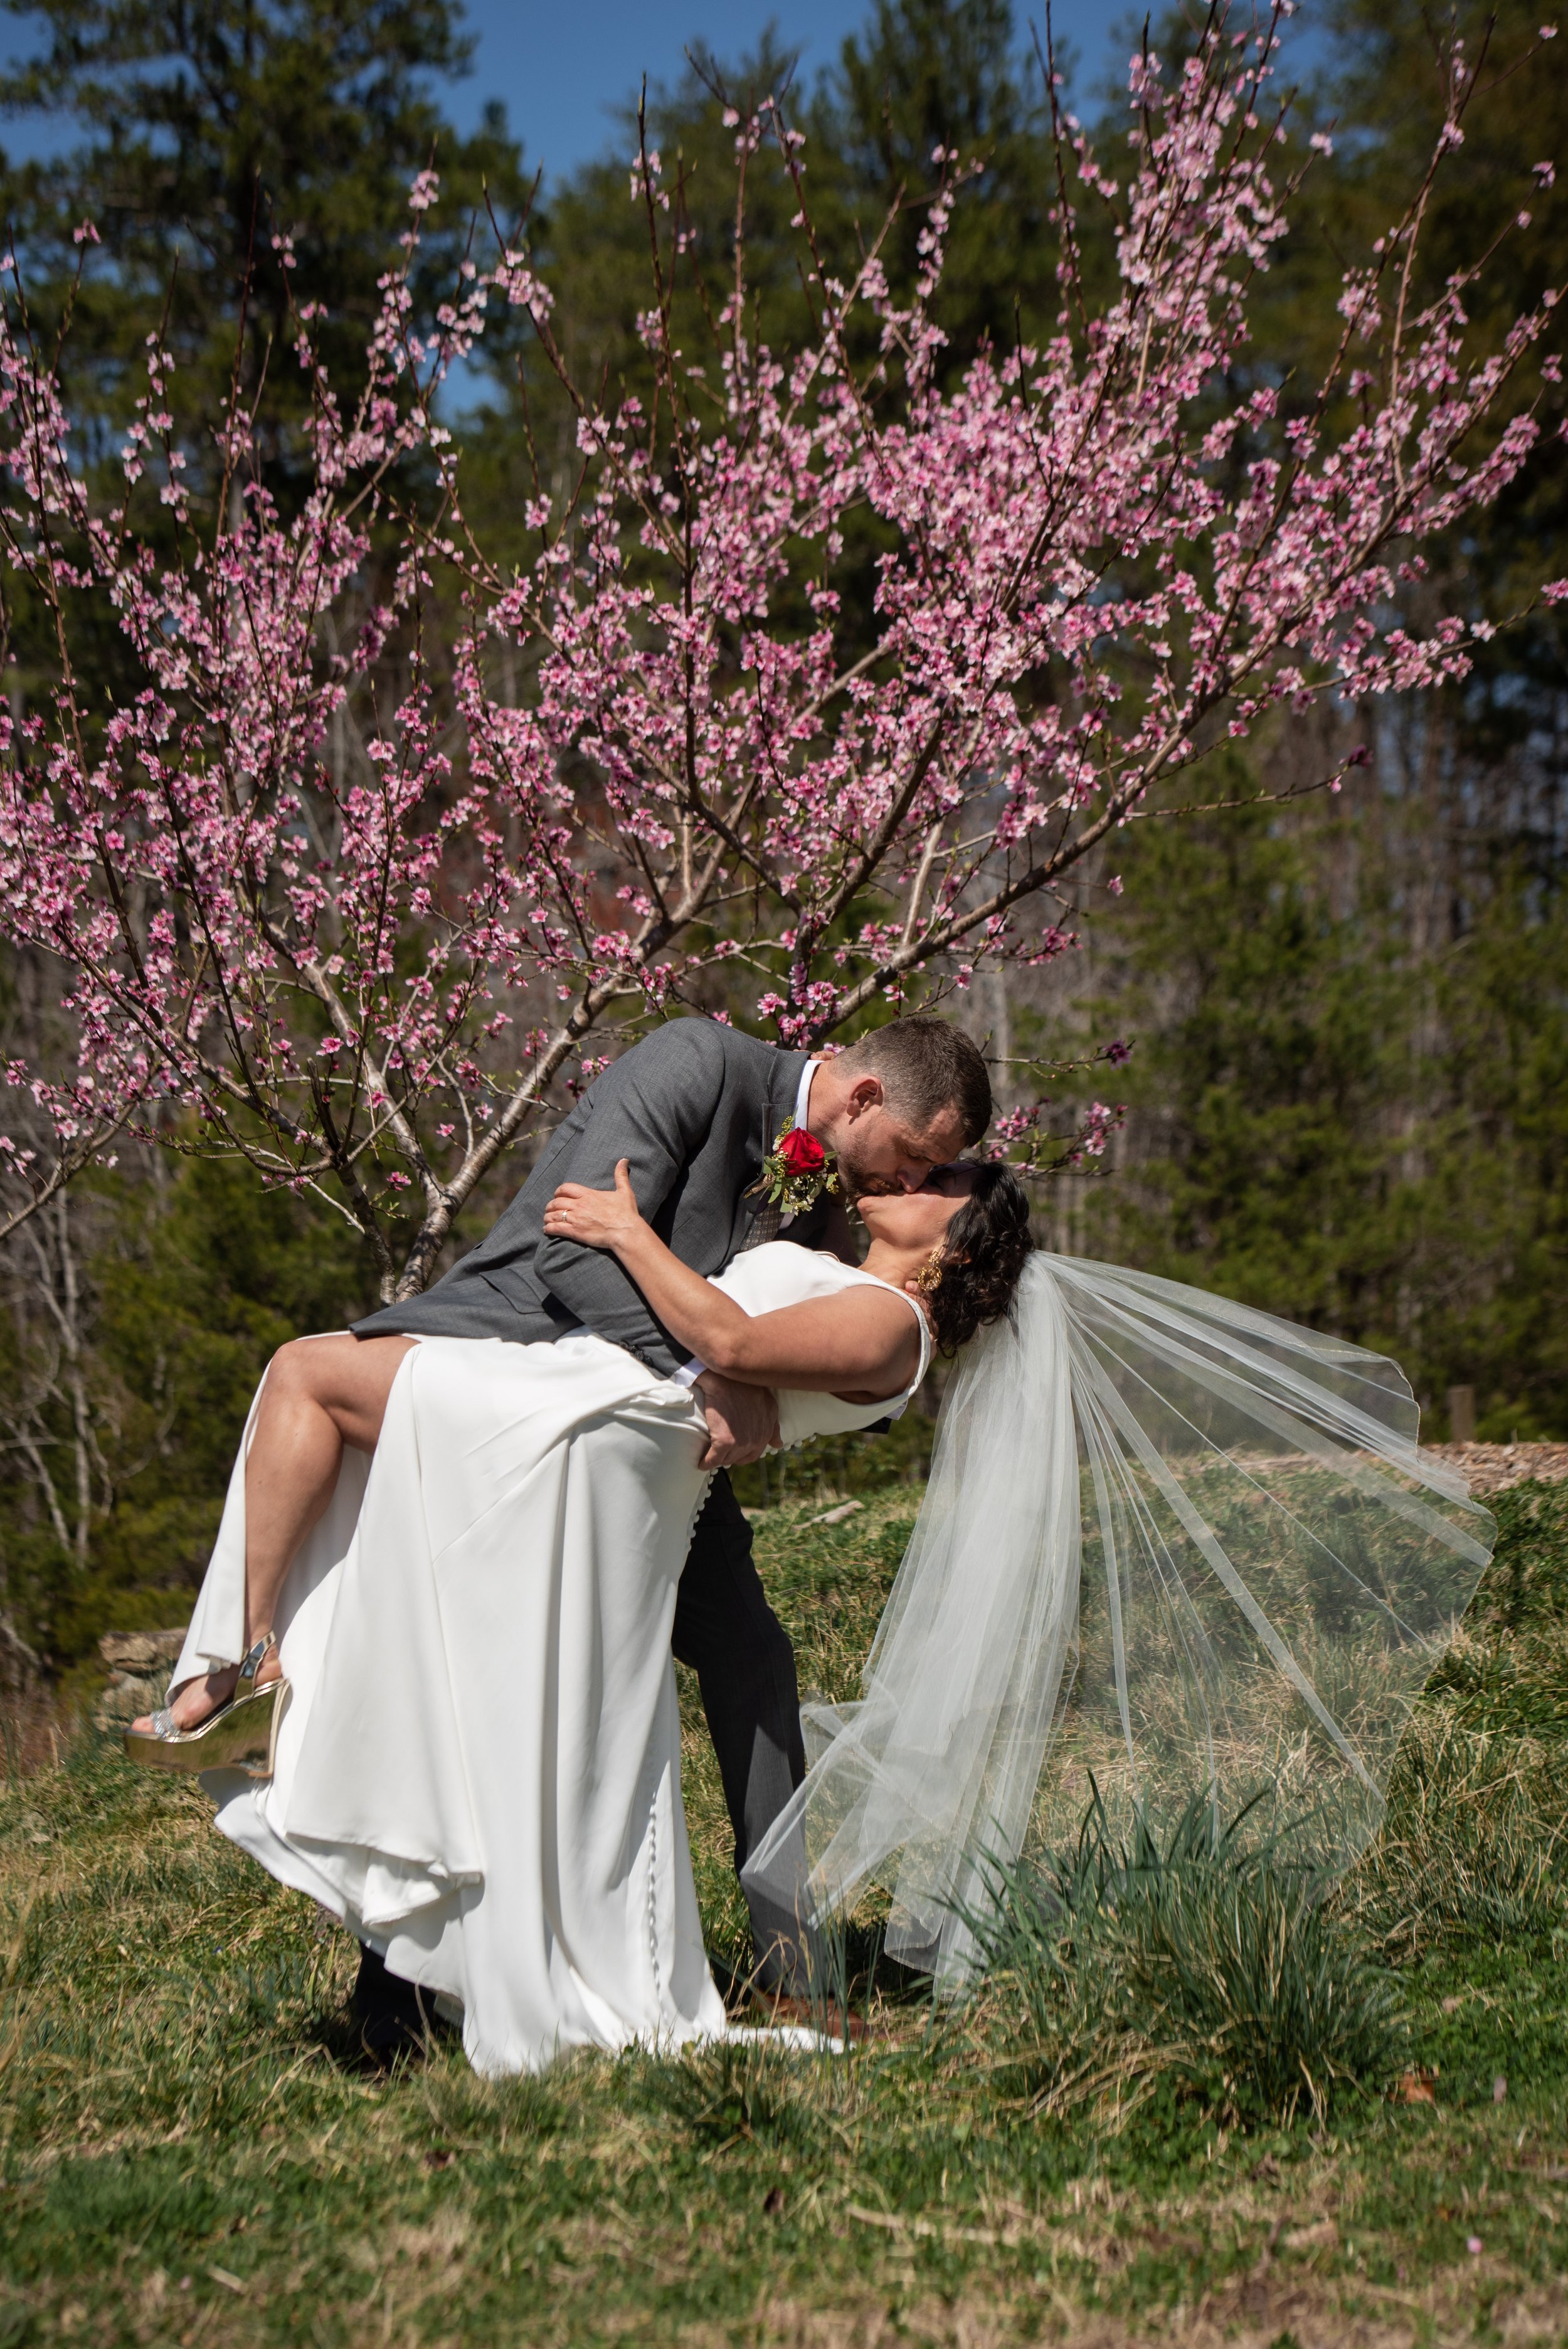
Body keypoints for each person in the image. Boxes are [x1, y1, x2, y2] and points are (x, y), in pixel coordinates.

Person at [129, 1012, 992, 2043]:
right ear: (861, 1100)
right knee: (482, 1651)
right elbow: (570, 1258)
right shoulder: (696, 1064)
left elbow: (784, 1336)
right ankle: (390, 1969)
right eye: (913, 1156)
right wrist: (707, 1377)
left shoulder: (838, 1222)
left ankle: (791, 1964)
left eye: (932, 1176)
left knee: (747, 1655)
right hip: (533, 1363)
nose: (903, 1182)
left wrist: (734, 1381)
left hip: (642, 1448)